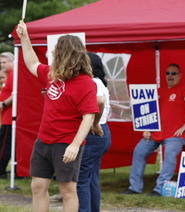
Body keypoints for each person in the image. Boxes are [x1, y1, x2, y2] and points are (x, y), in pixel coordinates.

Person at [16, 21, 98, 212]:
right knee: (37, 187)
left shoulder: (86, 83)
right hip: (44, 140)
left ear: (65, 54)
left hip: (66, 142)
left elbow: (89, 116)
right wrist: (25, 37)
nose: (52, 54)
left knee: (67, 190)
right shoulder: (53, 75)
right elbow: (32, 63)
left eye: (56, 51)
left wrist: (75, 145)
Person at [121, 63, 185, 196]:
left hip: (175, 135)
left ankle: (160, 188)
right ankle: (134, 187)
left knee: (169, 155)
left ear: (180, 75)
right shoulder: (160, 91)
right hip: (157, 133)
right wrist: (147, 128)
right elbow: (150, 113)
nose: (170, 76)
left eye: (174, 73)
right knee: (139, 151)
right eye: (167, 73)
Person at [77, 52, 112, 212]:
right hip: (101, 132)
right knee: (91, 178)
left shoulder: (92, 83)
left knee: (81, 179)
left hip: (93, 132)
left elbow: (99, 102)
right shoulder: (99, 82)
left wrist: (94, 122)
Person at [0, 52, 14, 179]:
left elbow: (16, 94)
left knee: (4, 146)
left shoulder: (14, 74)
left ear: (11, 62)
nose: (2, 65)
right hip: (6, 117)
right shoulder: (8, 75)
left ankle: (1, 170)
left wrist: (3, 104)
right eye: (1, 63)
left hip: (10, 118)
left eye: (4, 62)